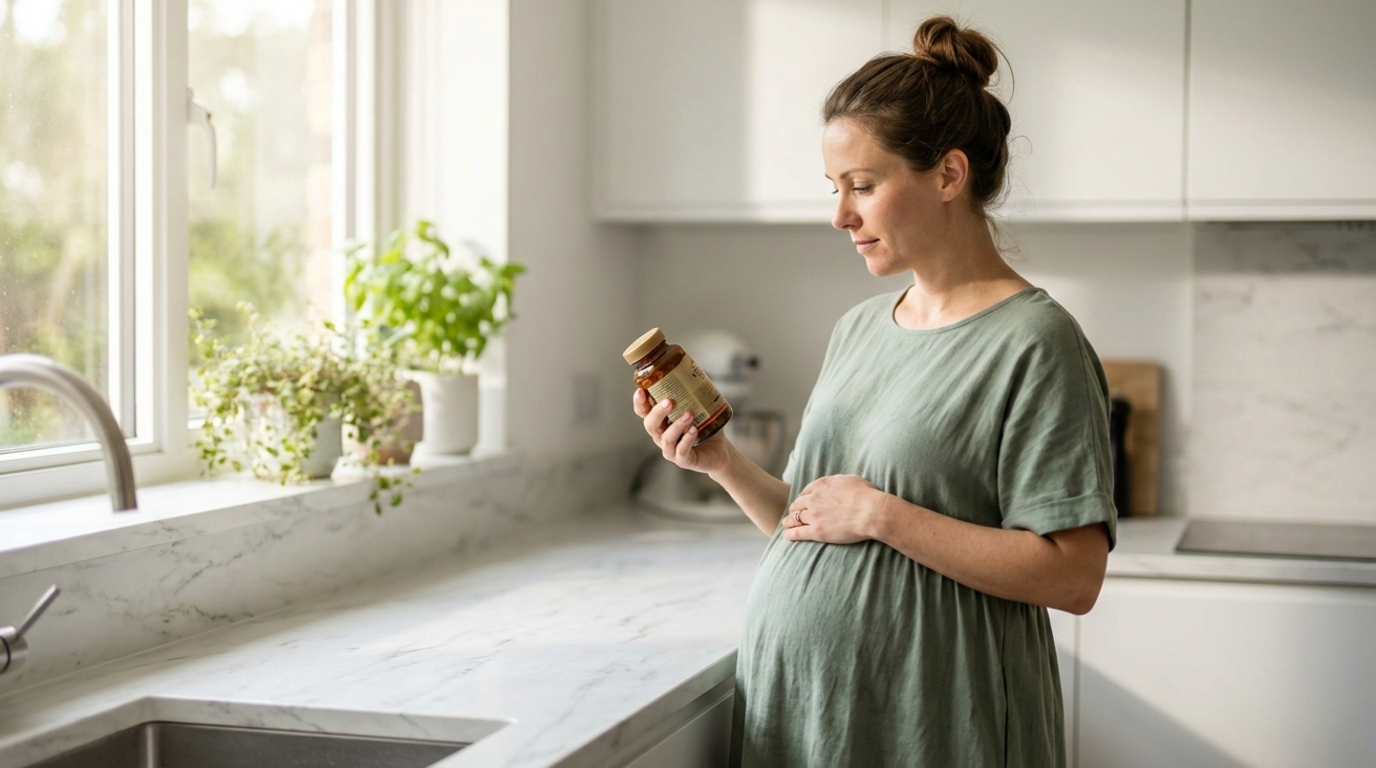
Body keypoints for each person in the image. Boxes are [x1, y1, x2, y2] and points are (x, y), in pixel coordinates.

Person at [631, 15, 1115, 768]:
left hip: (935, 719)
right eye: (835, 188)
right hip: (806, 713)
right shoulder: (860, 327)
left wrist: (884, 514)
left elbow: (1073, 575)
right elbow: (813, 522)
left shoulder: (1035, 342)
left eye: (863, 185)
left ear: (948, 176)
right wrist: (720, 462)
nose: (840, 215)